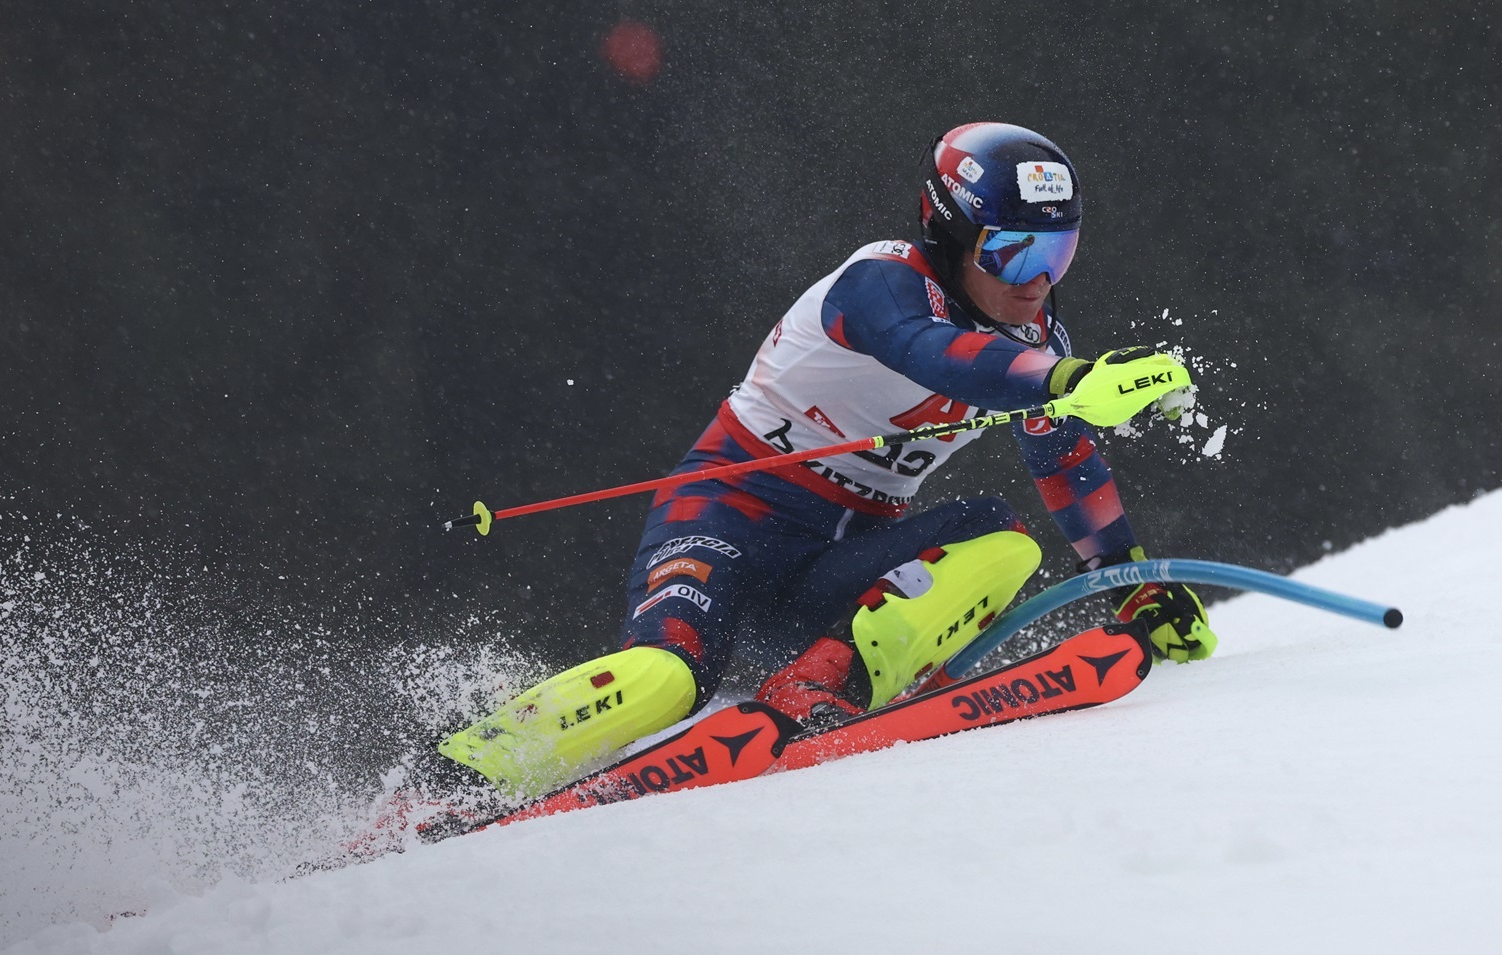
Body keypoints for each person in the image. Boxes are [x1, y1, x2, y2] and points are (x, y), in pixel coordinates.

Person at [436, 122, 1217, 803]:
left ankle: (822, 685)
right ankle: (461, 774)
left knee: (1003, 539)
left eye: (1060, 251)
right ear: (950, 237)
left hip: (834, 566)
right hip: (725, 519)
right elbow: (933, 354)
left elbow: (1066, 466)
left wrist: (1135, 584)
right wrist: (1068, 380)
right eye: (1012, 254)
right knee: (669, 678)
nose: (1039, 281)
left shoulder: (1036, 343)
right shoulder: (880, 283)